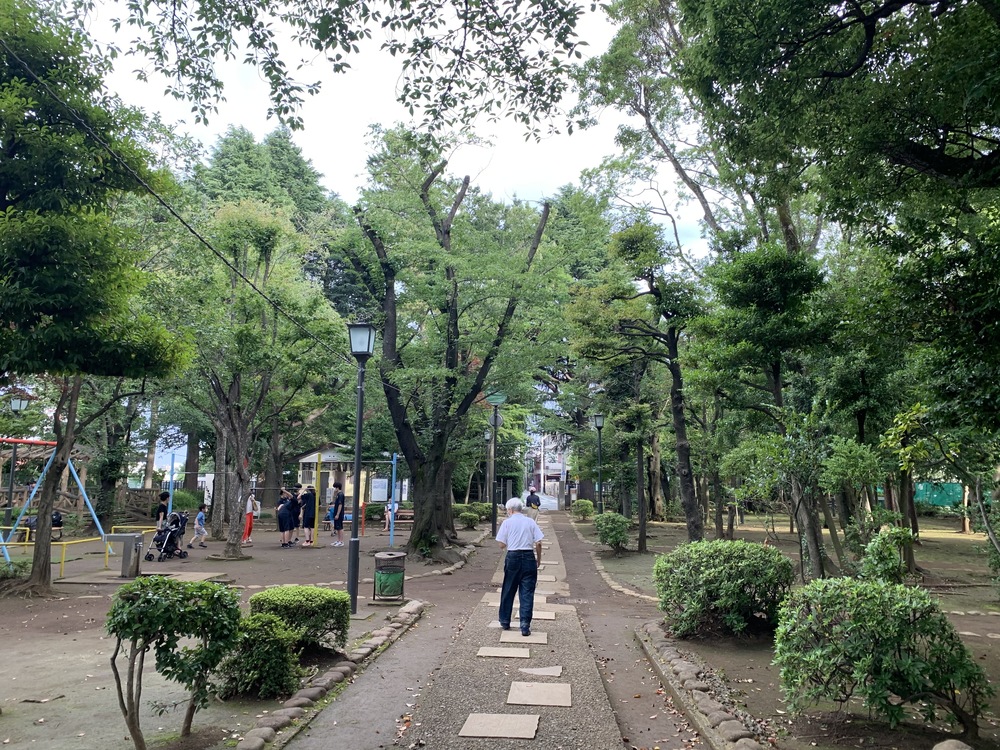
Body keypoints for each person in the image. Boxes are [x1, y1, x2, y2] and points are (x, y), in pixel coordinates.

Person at [496, 497, 544, 637]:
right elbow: (539, 543)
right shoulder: (530, 522)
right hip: (529, 557)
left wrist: (509, 542)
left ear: (510, 510)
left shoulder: (507, 522)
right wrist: (538, 560)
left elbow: (501, 544)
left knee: (508, 589)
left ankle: (505, 620)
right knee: (527, 592)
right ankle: (524, 625)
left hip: (513, 557)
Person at [329, 482, 345, 547]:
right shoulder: (338, 494)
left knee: (340, 527)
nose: (334, 489)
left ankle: (341, 541)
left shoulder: (340, 495)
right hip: (336, 513)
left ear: (337, 487)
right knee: (337, 527)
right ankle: (338, 540)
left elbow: (340, 505)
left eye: (334, 488)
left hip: (339, 514)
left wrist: (338, 514)